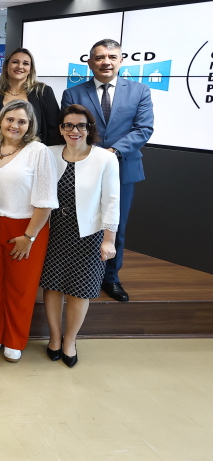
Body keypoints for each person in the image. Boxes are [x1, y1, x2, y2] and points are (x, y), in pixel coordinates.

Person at [61, 39, 154, 302]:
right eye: (100, 57)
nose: (106, 62)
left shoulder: (139, 91)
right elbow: (72, 128)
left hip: (124, 169)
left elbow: (143, 129)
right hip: (83, 169)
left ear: (121, 61)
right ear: (90, 62)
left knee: (116, 226)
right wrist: (94, 155)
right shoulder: (73, 93)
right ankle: (79, 273)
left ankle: (110, 278)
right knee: (81, 223)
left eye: (112, 57)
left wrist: (111, 154)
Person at [0, 99, 58, 362]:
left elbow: (46, 201)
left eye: (22, 121)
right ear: (1, 120)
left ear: (30, 125)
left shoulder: (39, 151)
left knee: (20, 289)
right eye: (10, 119)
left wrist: (29, 237)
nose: (15, 125)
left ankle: (14, 340)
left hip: (26, 228)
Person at [41, 105, 120, 367]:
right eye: (68, 125)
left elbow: (111, 201)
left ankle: (70, 340)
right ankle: (54, 337)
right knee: (52, 286)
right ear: (61, 129)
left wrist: (109, 239)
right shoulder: (49, 154)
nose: (74, 131)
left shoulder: (105, 159)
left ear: (89, 129)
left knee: (80, 290)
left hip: (89, 234)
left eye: (81, 126)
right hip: (54, 232)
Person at [0, 48, 61, 146]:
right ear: (6, 66)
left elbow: (54, 129)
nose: (20, 66)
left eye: (25, 63)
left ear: (30, 69)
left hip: (35, 154)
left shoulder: (43, 91)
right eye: (15, 62)